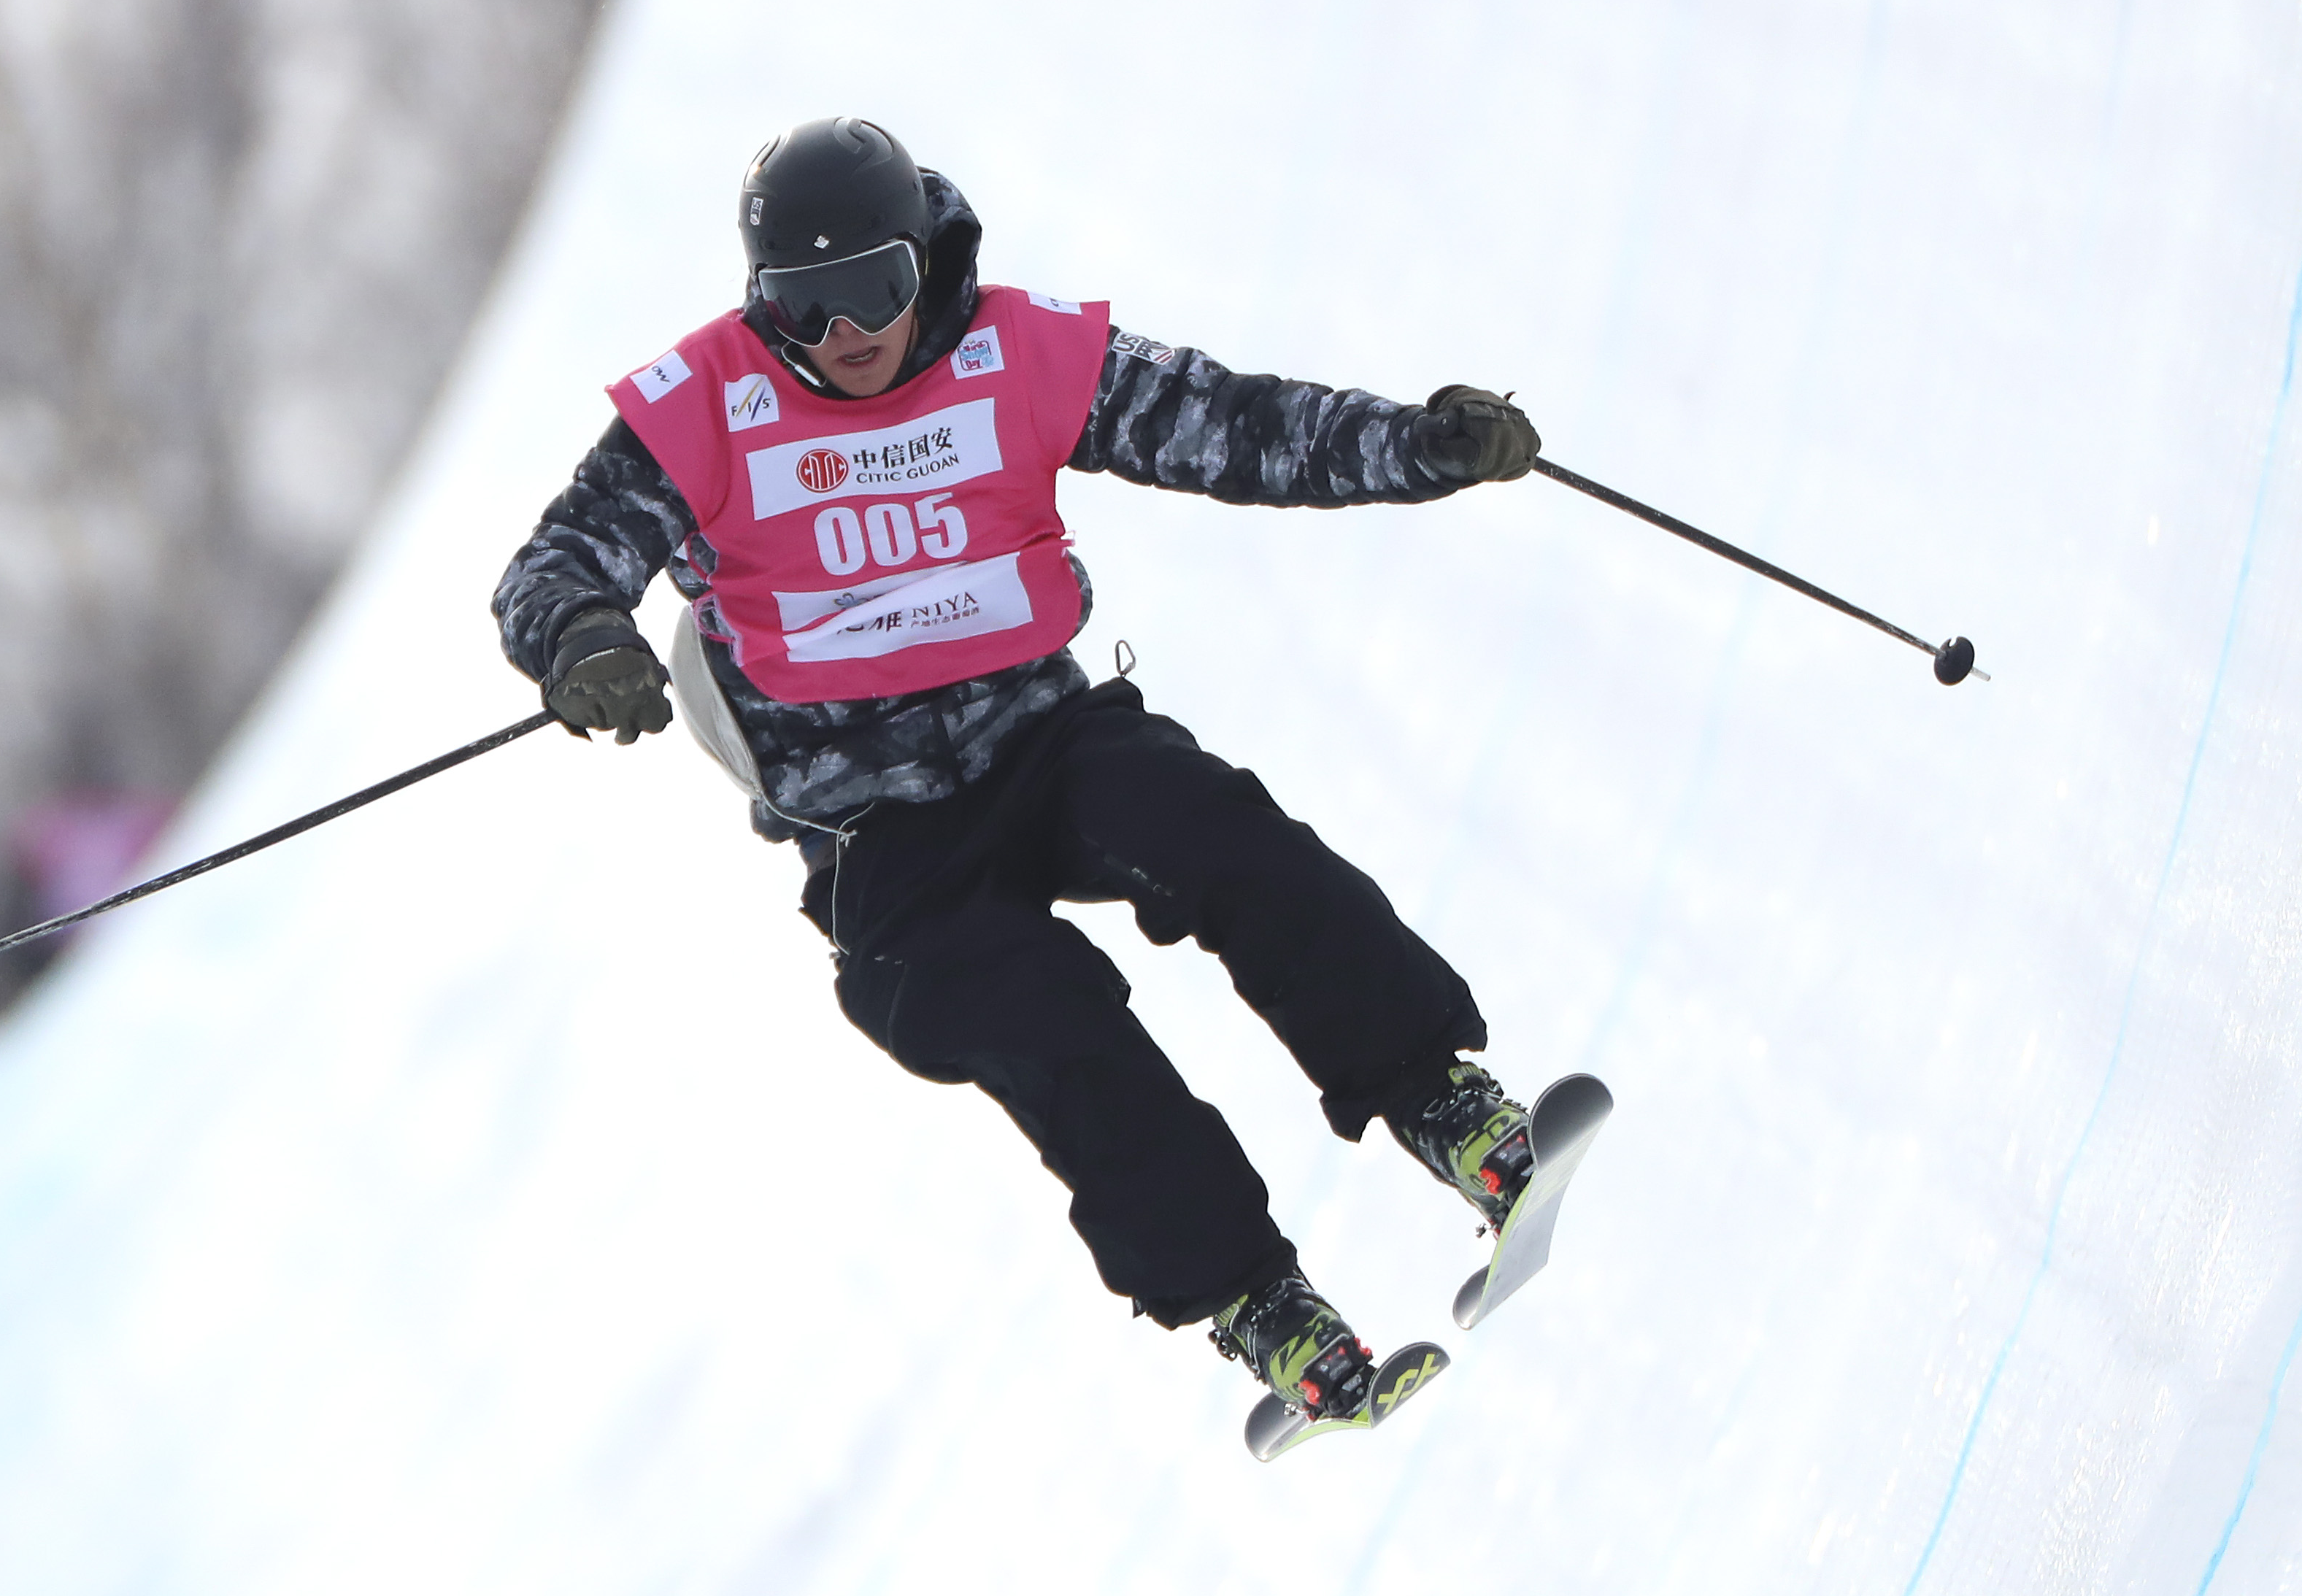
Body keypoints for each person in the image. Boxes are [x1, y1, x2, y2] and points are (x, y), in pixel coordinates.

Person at [493, 117, 1546, 1430]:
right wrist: (584, 641)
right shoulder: (707, 408)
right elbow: (555, 566)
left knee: (1214, 832)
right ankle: (1252, 1298)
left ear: (920, 262)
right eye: (798, 308)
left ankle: (1441, 1099)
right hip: (875, 833)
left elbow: (1231, 427)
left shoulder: (1011, 355)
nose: (840, 336)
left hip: (1040, 739)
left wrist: (1416, 447)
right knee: (1035, 1016)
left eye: (870, 289)